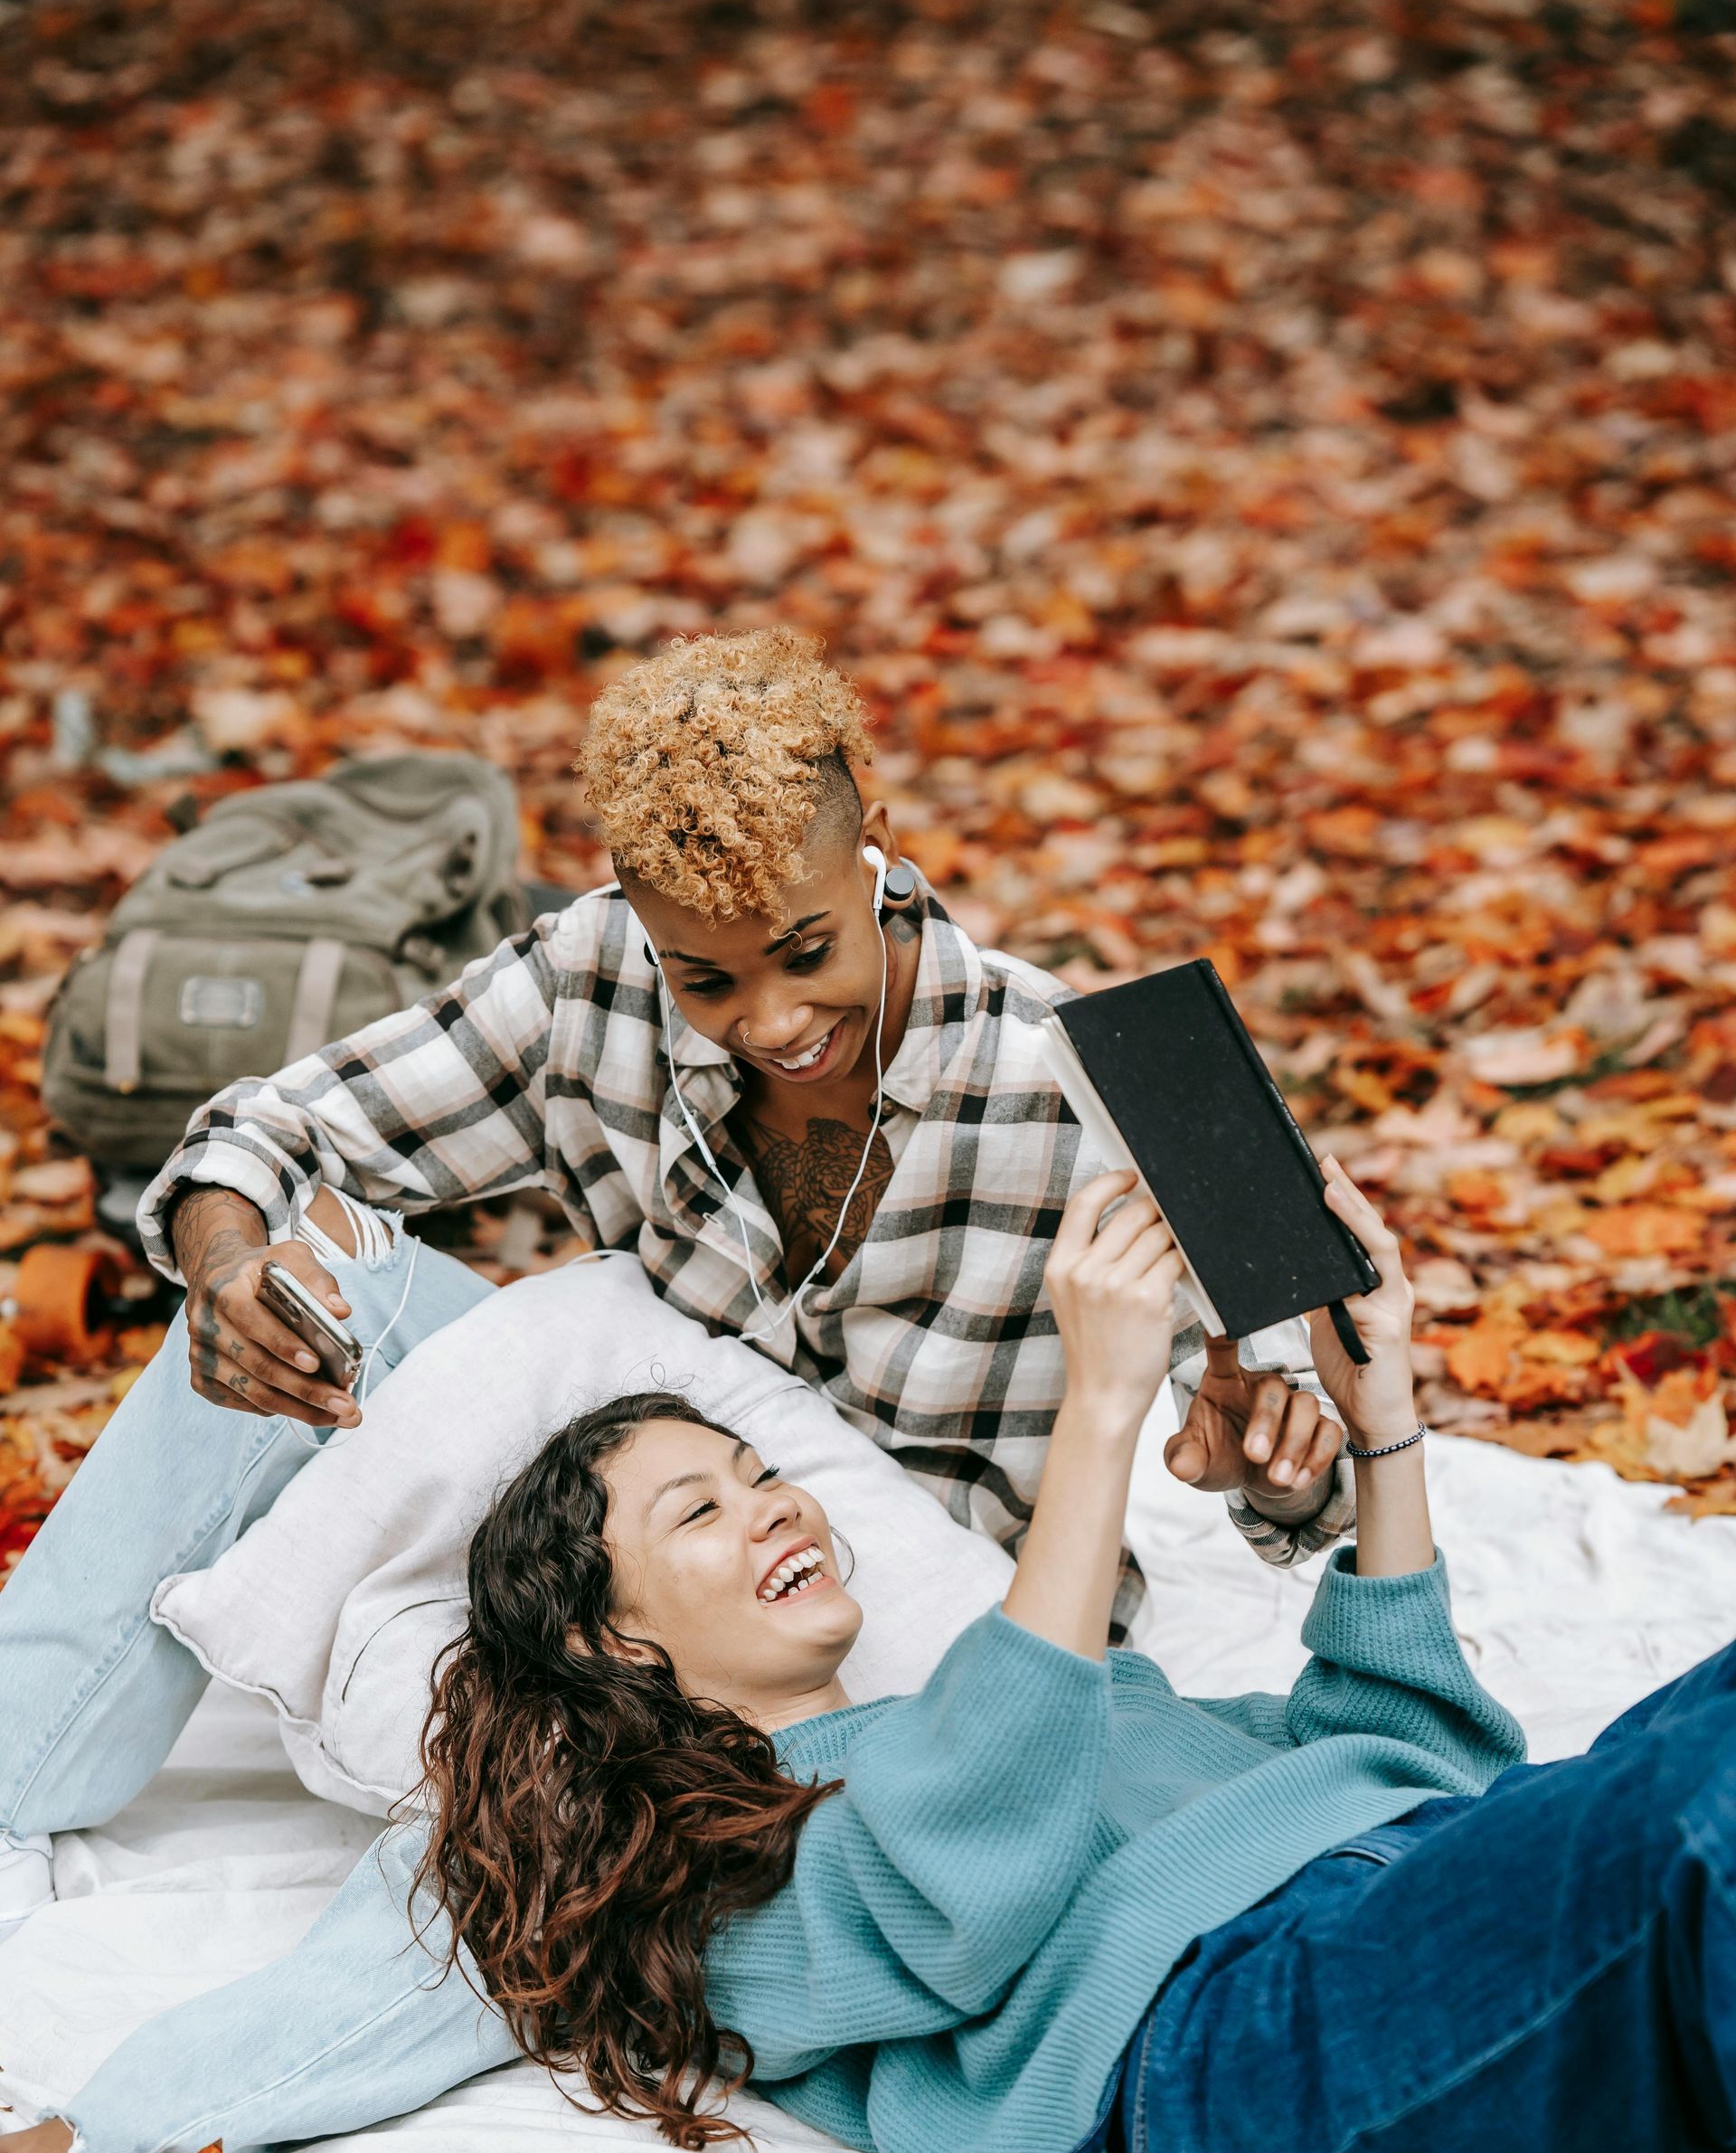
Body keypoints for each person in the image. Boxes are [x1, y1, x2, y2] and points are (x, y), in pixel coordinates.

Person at [5, 1165, 1733, 2153]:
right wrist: (1101, 1413)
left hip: (1452, 1908)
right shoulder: (700, 1851)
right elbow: (958, 1877)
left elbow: (1404, 1750)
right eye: (697, 1507)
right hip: (1273, 2054)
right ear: (616, 1643)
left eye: (765, 1480)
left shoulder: (1045, 1705)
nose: (770, 1508)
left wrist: (1387, 1423)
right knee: (1696, 1811)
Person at [0, 628, 1353, 1924]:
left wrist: (1280, 1456)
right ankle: (16, 1765)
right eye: (706, 978)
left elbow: (1312, 1431)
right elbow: (273, 1132)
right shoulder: (593, 975)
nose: (769, 1023)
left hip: (908, 1645)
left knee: (531, 1736)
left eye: (807, 952)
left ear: (878, 847)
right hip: (657, 1547)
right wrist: (229, 1259)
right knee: (311, 1276)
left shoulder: (1083, 1069)